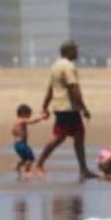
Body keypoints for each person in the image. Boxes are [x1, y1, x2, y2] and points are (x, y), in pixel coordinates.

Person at [36, 40, 97, 179]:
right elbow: (74, 89)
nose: (77, 52)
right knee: (62, 137)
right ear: (68, 51)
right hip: (69, 107)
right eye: (75, 50)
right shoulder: (68, 66)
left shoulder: (55, 66)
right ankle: (39, 163)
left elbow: (50, 89)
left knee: (75, 136)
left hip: (59, 107)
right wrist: (84, 108)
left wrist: (45, 106)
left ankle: (83, 169)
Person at [11, 104, 48, 178]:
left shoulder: (16, 122)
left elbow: (14, 132)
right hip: (21, 144)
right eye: (29, 114)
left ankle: (17, 167)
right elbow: (32, 121)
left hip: (16, 145)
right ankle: (26, 172)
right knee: (30, 159)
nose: (29, 116)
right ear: (23, 113)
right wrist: (41, 116)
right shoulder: (21, 120)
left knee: (24, 159)